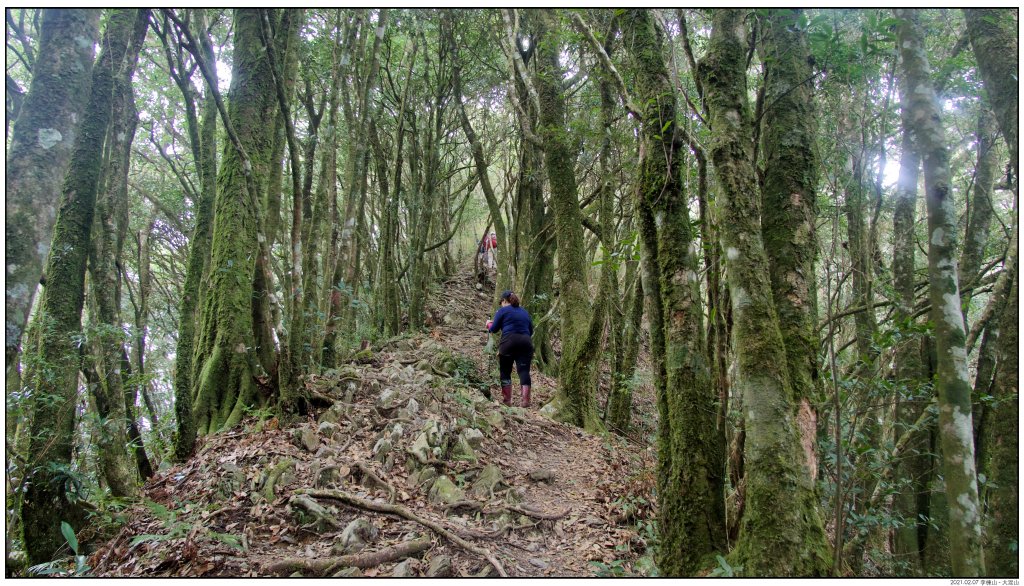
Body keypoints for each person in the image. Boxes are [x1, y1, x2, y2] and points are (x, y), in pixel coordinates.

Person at [485, 290, 534, 407]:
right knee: (524, 371)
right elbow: (530, 330)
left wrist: (488, 324)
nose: (500, 305)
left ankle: (507, 400)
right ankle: (525, 401)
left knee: (505, 371)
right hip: (525, 343)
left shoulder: (502, 311)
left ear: (504, 301)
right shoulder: (525, 312)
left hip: (508, 342)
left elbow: (494, 329)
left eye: (501, 302)